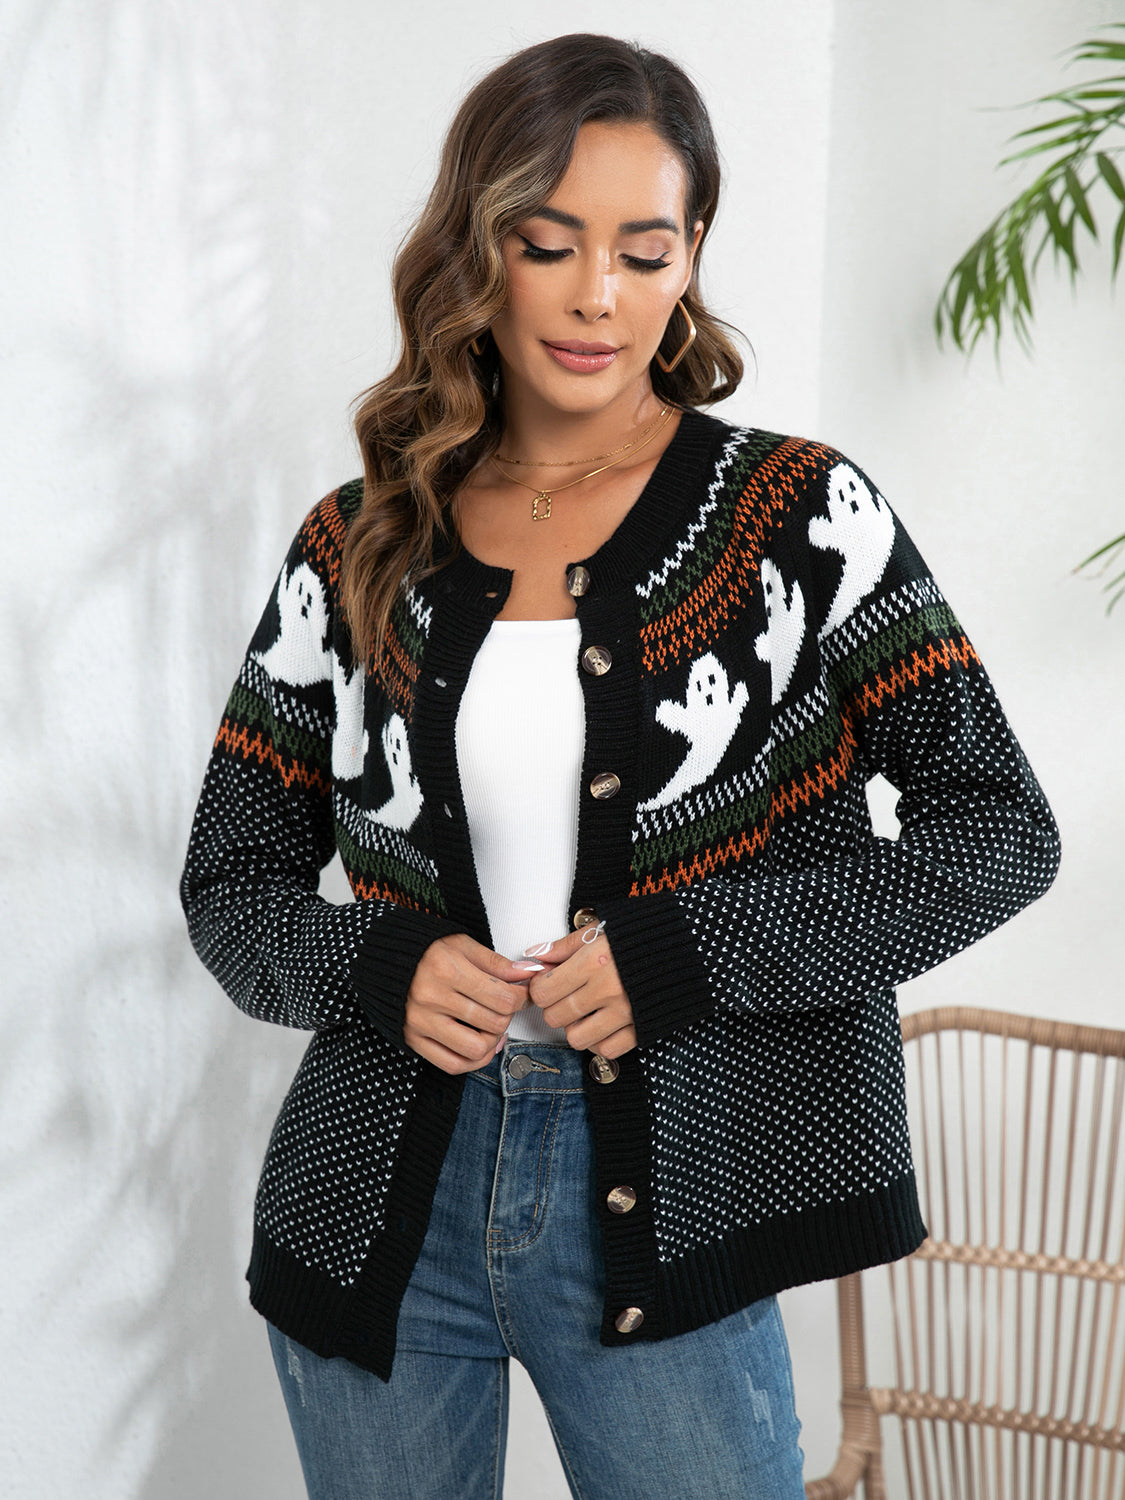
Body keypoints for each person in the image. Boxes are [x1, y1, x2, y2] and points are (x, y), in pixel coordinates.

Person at [180, 33, 1060, 1500]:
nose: (598, 295)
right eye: (548, 245)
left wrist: (688, 952)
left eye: (645, 251)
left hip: (681, 1201)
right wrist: (382, 967)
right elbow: (230, 882)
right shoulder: (361, 537)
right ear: (479, 249)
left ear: (691, 254)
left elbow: (998, 830)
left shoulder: (795, 514)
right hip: (379, 1201)